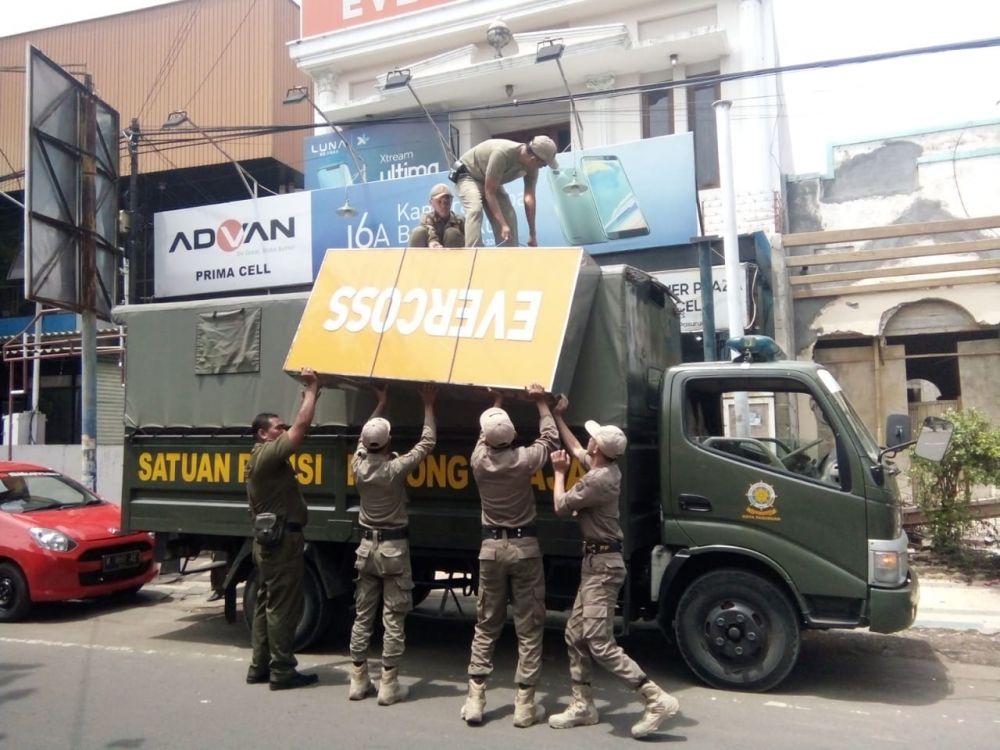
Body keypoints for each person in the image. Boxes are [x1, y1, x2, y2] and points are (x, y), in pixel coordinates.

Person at [548, 395, 679, 738]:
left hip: (602, 567)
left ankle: (655, 699)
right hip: (597, 562)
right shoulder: (605, 468)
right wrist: (558, 416)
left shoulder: (597, 480)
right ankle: (582, 705)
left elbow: (561, 505)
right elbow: (577, 448)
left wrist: (559, 473)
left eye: (591, 438)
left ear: (598, 448)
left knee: (599, 642)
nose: (586, 440)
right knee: (574, 634)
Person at [460, 383, 559, 728]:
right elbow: (550, 438)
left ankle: (475, 698)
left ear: (485, 439)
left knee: (486, 625)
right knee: (529, 628)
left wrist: (497, 401)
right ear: (514, 434)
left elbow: (482, 436)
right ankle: (525, 704)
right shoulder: (524, 460)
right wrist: (541, 404)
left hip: (490, 550)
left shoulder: (478, 462)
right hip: (525, 549)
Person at [349, 383, 437, 706]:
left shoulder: (358, 466)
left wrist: (379, 405)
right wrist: (428, 404)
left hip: (365, 551)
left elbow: (363, 438)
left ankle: (358, 679)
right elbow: (427, 442)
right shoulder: (394, 469)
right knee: (393, 616)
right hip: (394, 551)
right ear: (388, 443)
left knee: (363, 616)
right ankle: (388, 684)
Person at [245, 367, 322, 691]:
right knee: (282, 607)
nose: (284, 429)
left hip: (269, 542)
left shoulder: (263, 458)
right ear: (263, 433)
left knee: (265, 603)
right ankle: (282, 671)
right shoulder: (265, 456)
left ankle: (259, 667)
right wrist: (312, 392)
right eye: (278, 427)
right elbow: (301, 427)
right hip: (281, 543)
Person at [453, 135, 559, 248]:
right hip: (469, 175)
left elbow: (529, 198)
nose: (543, 167)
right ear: (534, 158)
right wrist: (502, 225)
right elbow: (490, 193)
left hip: (489, 179)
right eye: (544, 164)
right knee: (475, 208)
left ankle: (508, 259)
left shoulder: (532, 167)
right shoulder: (502, 153)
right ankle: (473, 253)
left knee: (509, 217)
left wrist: (532, 234)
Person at [408, 182, 465, 248]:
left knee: (452, 233)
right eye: (439, 202)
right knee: (418, 232)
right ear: (431, 203)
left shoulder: (460, 220)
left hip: (454, 256)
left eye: (446, 201)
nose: (443, 205)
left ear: (451, 201)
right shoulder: (427, 218)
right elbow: (429, 229)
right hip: (429, 255)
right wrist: (433, 242)